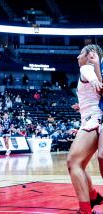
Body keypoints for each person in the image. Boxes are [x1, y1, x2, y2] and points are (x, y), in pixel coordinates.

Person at [67, 44, 103, 214]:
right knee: (79, 163)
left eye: (80, 53)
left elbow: (90, 76)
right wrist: (80, 106)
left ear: (90, 56)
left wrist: (94, 79)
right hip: (93, 117)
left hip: (92, 120)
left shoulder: (86, 69)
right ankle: (93, 196)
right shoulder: (95, 70)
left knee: (73, 162)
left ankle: (85, 209)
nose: (77, 57)